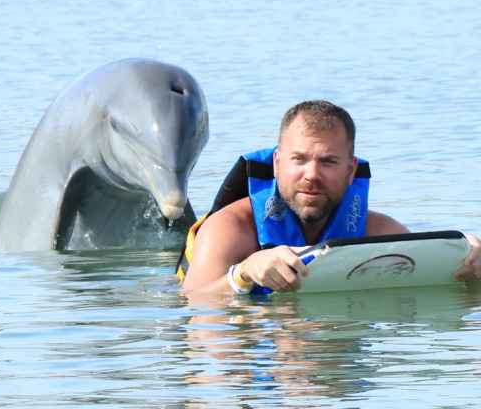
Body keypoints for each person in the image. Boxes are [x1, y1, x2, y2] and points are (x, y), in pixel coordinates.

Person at [181, 100, 481, 296]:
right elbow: (193, 302)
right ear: (277, 164)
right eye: (299, 159)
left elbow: (435, 282)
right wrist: (245, 273)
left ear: (351, 171)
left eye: (328, 162)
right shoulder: (230, 228)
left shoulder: (380, 233)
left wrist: (471, 268)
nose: (311, 174)